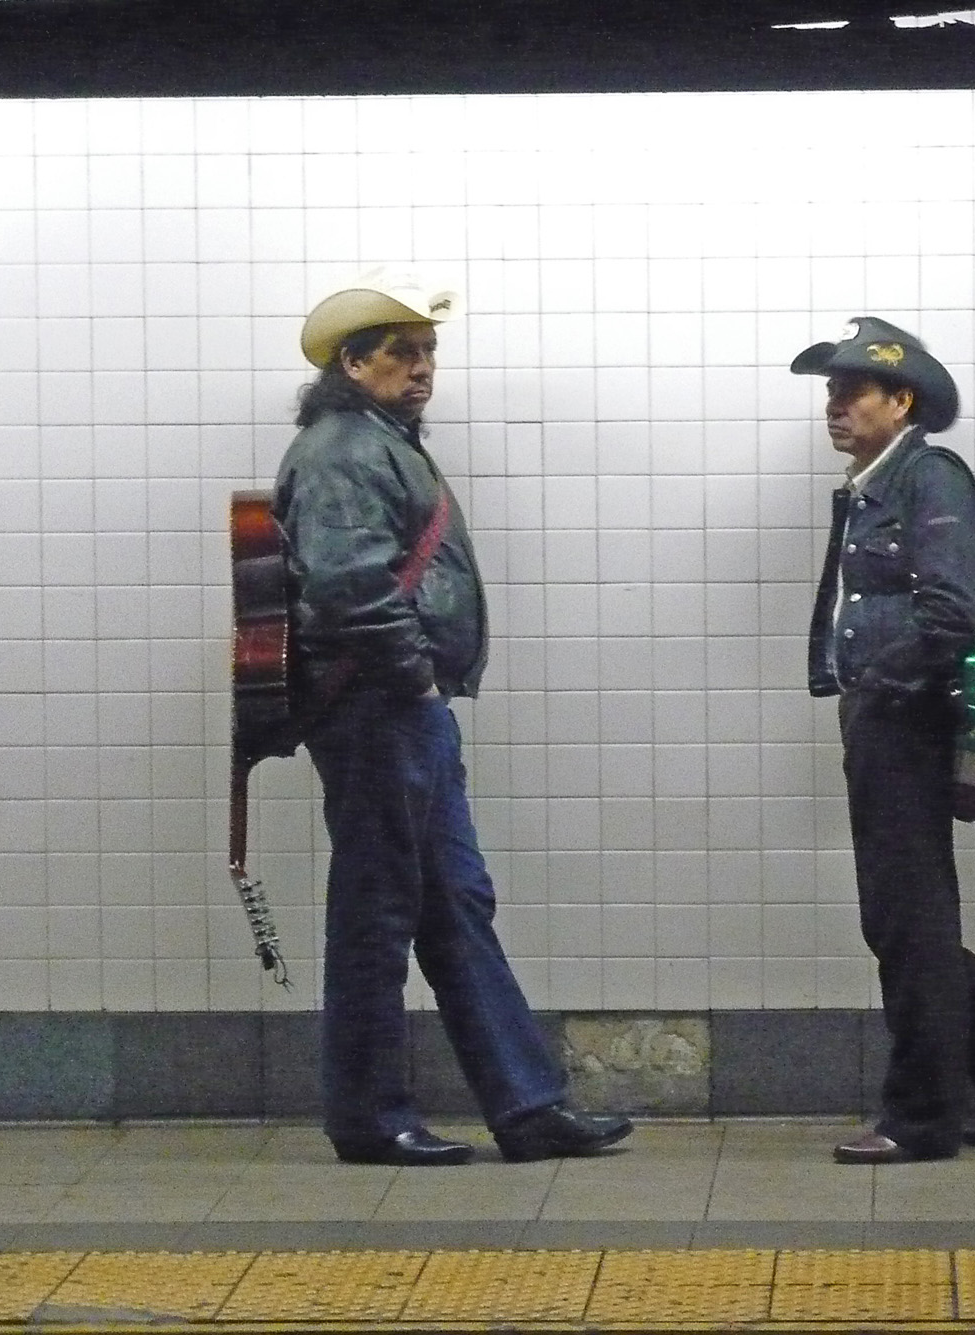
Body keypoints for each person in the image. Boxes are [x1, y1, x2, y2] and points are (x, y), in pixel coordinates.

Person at [274, 266, 633, 1166]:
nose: (423, 367)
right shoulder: (344, 449)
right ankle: (368, 1115)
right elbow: (349, 585)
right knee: (378, 906)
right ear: (353, 364)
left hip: (398, 709)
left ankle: (525, 1104)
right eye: (403, 352)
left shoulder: (376, 441)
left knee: (454, 903)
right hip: (378, 708)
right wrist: (415, 679)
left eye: (429, 351)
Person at [794, 317, 975, 1164]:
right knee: (910, 921)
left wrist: (880, 687)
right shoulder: (877, 482)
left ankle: (920, 1116)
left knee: (907, 922)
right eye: (831, 393)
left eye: (852, 392)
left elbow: (951, 614)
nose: (835, 407)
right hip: (883, 714)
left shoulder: (928, 477)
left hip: (905, 720)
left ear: (900, 399)